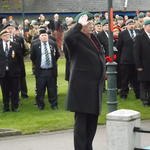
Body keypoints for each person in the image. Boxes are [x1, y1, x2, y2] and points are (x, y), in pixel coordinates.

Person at [64, 12, 105, 150]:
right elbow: (67, 37)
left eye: (92, 23)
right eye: (88, 24)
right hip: (81, 90)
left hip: (94, 88)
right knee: (81, 125)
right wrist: (79, 25)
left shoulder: (93, 37)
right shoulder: (75, 39)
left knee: (92, 124)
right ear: (80, 26)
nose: (91, 26)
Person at [30, 29, 60, 110]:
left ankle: (54, 104)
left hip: (51, 70)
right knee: (40, 89)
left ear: (48, 37)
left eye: (45, 35)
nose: (44, 37)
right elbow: (32, 57)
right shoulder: (35, 45)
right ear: (39, 37)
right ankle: (40, 105)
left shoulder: (52, 43)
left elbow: (57, 55)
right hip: (40, 71)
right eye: (42, 35)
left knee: (52, 89)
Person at [117, 19, 140, 99]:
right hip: (126, 60)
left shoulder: (138, 32)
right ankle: (123, 94)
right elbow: (119, 47)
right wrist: (121, 58)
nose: (131, 25)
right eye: (129, 24)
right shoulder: (122, 34)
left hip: (136, 60)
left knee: (136, 79)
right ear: (126, 25)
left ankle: (138, 94)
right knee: (125, 79)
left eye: (132, 24)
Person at [0, 30, 21, 112]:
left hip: (14, 72)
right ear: (1, 37)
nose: (7, 36)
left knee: (14, 91)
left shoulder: (15, 45)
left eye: (8, 35)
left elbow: (19, 59)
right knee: (4, 91)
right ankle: (6, 107)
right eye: (5, 35)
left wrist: (19, 70)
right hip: (2, 73)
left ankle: (15, 107)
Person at [134, 19, 150, 106]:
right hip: (143, 65)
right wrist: (138, 65)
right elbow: (136, 52)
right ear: (145, 26)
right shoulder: (139, 37)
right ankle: (144, 100)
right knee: (144, 83)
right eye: (149, 26)